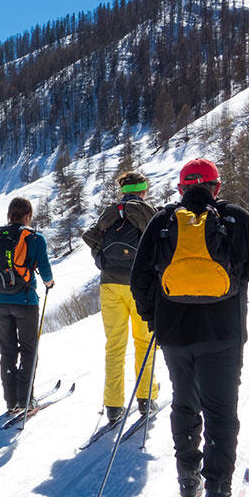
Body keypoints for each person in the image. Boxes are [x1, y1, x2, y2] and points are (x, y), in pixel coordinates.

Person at [130, 158, 249, 497]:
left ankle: (188, 477)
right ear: (216, 188)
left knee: (184, 403)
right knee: (220, 413)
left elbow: (139, 280)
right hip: (224, 334)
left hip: (174, 333)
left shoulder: (163, 221)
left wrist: (154, 318)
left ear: (181, 188)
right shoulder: (234, 219)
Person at [82, 171, 159, 423]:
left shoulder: (110, 212)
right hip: (140, 285)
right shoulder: (147, 210)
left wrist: (101, 259)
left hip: (110, 285)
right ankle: (146, 398)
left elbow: (90, 236)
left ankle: (113, 404)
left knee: (115, 345)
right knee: (144, 342)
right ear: (143, 190)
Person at [0, 197, 55, 413]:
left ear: (9, 214)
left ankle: (11, 401)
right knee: (28, 350)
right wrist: (49, 282)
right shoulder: (35, 238)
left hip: (0, 300)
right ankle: (26, 399)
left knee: (7, 351)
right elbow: (44, 267)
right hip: (26, 301)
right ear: (28, 215)